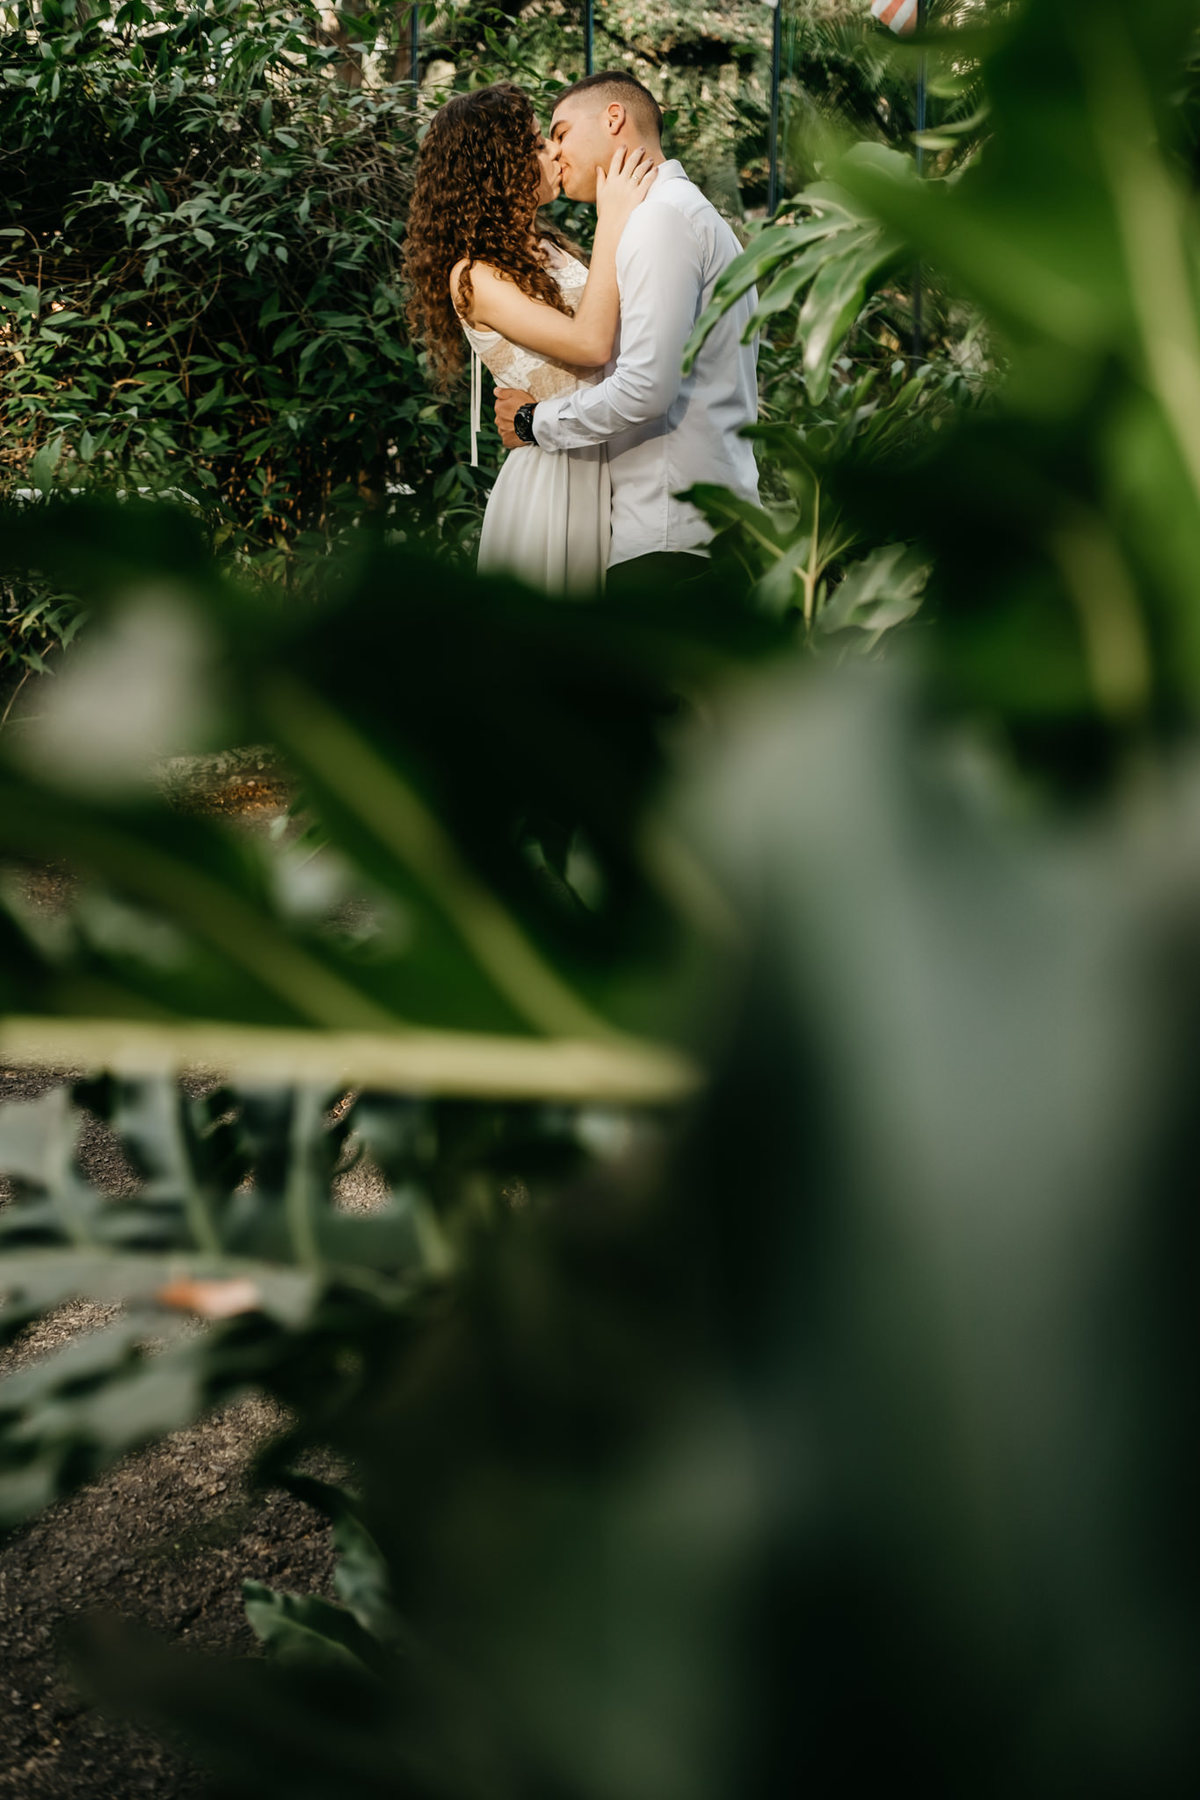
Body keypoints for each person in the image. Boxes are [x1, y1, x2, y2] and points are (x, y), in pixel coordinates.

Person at [495, 71, 761, 595]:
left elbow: (646, 387)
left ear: (613, 118)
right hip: (700, 529)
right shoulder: (688, 214)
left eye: (561, 132)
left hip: (672, 536)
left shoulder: (660, 219)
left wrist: (533, 421)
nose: (555, 151)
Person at [403, 82, 656, 593]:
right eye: (539, 143)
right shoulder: (473, 276)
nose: (555, 152)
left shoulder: (550, 248)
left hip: (606, 462)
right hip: (554, 484)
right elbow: (589, 345)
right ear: (498, 165)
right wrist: (612, 219)